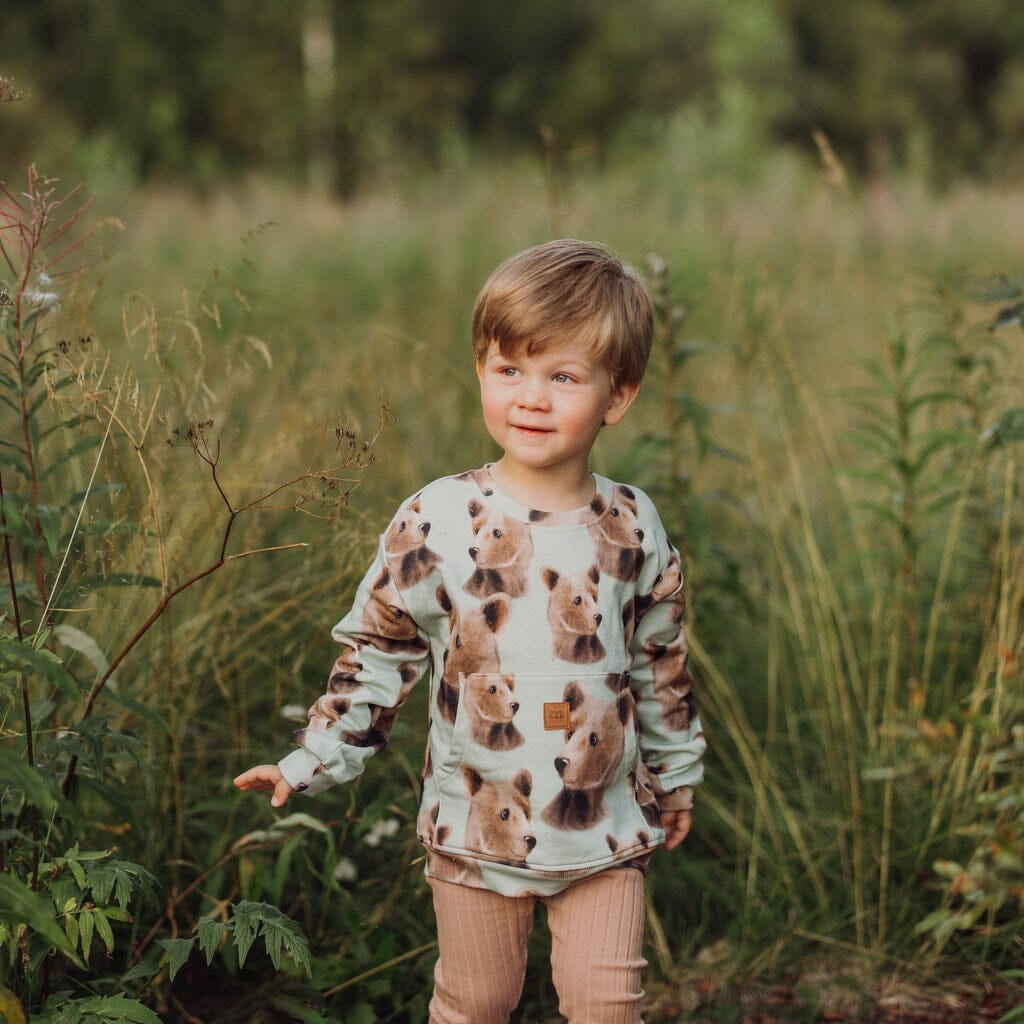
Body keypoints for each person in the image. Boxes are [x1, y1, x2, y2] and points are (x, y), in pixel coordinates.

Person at [234, 239, 707, 1024]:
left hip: (605, 825)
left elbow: (659, 661)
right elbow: (379, 648)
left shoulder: (632, 523)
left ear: (617, 395)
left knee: (608, 1005)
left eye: (563, 377)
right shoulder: (438, 519)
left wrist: (677, 772)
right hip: (474, 823)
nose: (532, 398)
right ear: (480, 369)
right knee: (476, 1003)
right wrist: (315, 754)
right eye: (509, 369)